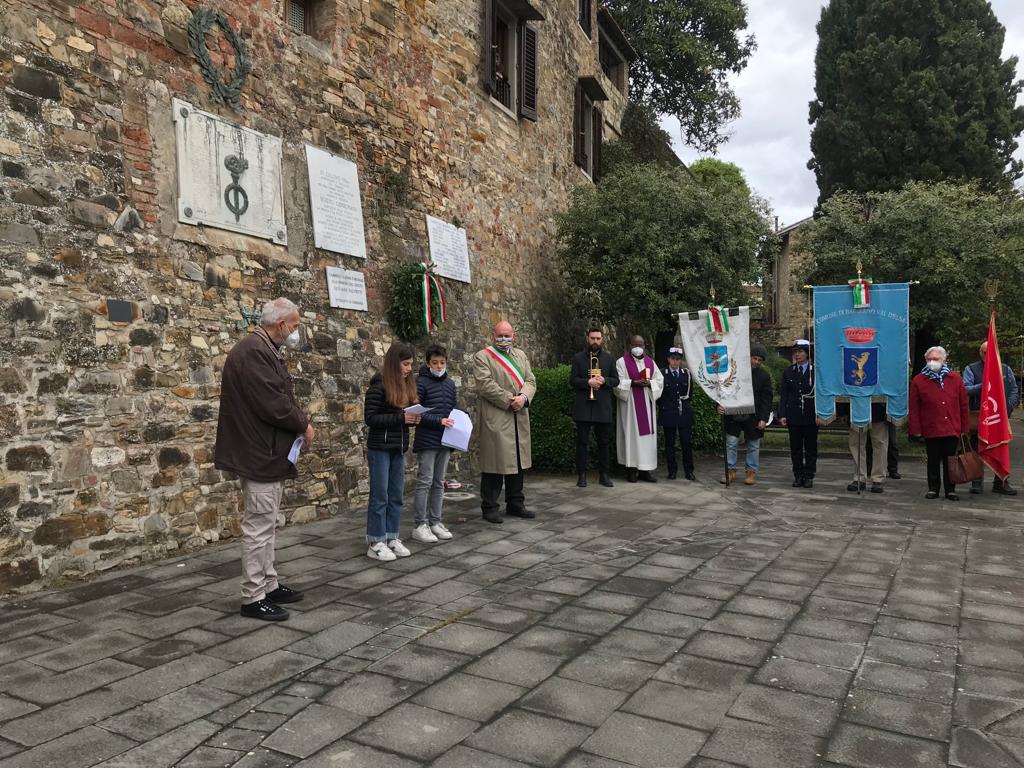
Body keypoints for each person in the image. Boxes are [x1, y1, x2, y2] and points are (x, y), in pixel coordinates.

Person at [215, 297, 312, 622]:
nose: (296, 332)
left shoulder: (262, 349)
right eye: (295, 326)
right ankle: (253, 596)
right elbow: (274, 404)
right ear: (280, 324)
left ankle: (268, 584)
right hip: (259, 451)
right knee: (258, 526)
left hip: (266, 451)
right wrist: (304, 423)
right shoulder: (254, 352)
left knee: (268, 522)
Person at [474, 321, 537, 523]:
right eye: (500, 335)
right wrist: (510, 400)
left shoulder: (520, 355)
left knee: (517, 462)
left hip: (519, 415)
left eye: (507, 335)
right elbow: (485, 385)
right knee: (495, 462)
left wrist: (524, 398)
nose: (504, 339)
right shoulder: (483, 357)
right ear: (493, 335)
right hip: (498, 415)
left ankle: (516, 503)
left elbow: (530, 380)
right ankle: (490, 506)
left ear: (513, 336)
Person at [364, 342, 421, 560]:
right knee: (380, 496)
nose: (408, 369)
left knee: (396, 495)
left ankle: (391, 536)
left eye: (410, 365)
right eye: (405, 364)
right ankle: (375, 541)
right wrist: (401, 417)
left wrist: (413, 418)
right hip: (380, 449)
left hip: (398, 448)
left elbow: (403, 419)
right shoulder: (378, 386)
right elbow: (370, 418)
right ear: (394, 363)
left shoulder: (406, 387)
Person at [908, 346, 969, 500]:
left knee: (951, 460)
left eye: (935, 359)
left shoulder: (955, 378)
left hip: (951, 427)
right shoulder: (919, 380)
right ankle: (933, 488)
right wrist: (915, 429)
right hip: (931, 427)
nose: (932, 362)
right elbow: (914, 406)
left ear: (944, 360)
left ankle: (950, 489)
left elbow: (963, 405)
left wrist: (964, 427)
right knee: (933, 459)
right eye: (929, 359)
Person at [411, 344, 457, 543]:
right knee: (425, 481)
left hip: (445, 440)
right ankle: (420, 524)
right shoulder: (420, 383)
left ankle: (435, 522)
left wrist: (460, 418)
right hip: (427, 440)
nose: (439, 366)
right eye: (435, 363)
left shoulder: (450, 384)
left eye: (442, 363)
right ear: (428, 363)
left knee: (439, 482)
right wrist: (438, 421)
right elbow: (416, 412)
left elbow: (453, 407)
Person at [964, 340, 1019, 495]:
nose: (988, 355)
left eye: (991, 352)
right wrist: (983, 385)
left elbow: (1014, 389)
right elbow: (966, 389)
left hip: (1000, 417)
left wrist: (1008, 406)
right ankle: (976, 482)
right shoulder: (971, 369)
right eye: (985, 352)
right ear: (980, 353)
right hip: (980, 417)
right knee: (977, 449)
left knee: (1001, 448)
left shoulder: (1005, 369)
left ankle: (1001, 482)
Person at [718, 344, 773, 485]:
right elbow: (723, 391)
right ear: (749, 357)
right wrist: (719, 405)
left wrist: (763, 419)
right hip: (733, 414)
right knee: (731, 443)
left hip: (754, 416)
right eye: (754, 358)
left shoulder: (764, 376)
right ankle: (730, 471)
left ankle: (751, 472)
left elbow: (767, 399)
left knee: (753, 445)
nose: (756, 362)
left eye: (760, 360)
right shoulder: (733, 371)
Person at [570, 328, 619, 487]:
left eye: (598, 338)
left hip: (602, 406)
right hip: (584, 405)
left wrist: (604, 381)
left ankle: (604, 475)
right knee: (582, 442)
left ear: (602, 339)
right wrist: (587, 383)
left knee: (603, 443)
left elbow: (616, 380)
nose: (595, 341)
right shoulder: (578, 358)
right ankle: (582, 475)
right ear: (587, 339)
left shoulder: (609, 359)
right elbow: (573, 380)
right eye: (593, 338)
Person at [614, 335, 664, 482]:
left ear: (645, 345)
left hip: (647, 408)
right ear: (630, 345)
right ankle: (631, 470)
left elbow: (659, 381)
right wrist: (633, 382)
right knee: (630, 436)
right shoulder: (621, 362)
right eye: (635, 344)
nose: (637, 347)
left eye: (640, 344)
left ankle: (645, 471)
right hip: (629, 407)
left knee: (646, 439)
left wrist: (650, 384)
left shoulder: (651, 362)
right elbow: (617, 382)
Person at [778, 339, 817, 488]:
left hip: (810, 415)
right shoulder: (788, 371)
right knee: (795, 448)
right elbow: (784, 394)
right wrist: (782, 414)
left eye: (800, 351)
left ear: (807, 353)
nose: (797, 355)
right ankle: (798, 475)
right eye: (795, 352)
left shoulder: (814, 371)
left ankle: (809, 475)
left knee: (810, 447)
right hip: (793, 415)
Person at [660, 347, 696, 481]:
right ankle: (672, 471)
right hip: (668, 412)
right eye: (673, 358)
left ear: (680, 361)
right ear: (668, 359)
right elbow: (660, 395)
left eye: (678, 359)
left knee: (686, 443)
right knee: (670, 444)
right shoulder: (662, 373)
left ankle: (689, 471)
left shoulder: (686, 374)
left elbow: (689, 394)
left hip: (684, 413)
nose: (675, 362)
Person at [847, 402, 889, 494]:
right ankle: (859, 477)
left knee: (880, 443)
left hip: (879, 407)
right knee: (856, 443)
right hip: (856, 408)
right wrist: (842, 411)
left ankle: (878, 479)